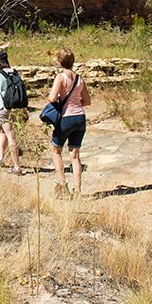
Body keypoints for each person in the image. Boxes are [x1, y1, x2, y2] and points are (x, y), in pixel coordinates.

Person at [47, 48, 90, 198]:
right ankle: (77, 191)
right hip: (80, 117)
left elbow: (52, 98)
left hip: (66, 117)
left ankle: (62, 184)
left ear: (60, 61)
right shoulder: (79, 79)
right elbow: (87, 101)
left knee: (56, 150)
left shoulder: (61, 77)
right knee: (75, 155)